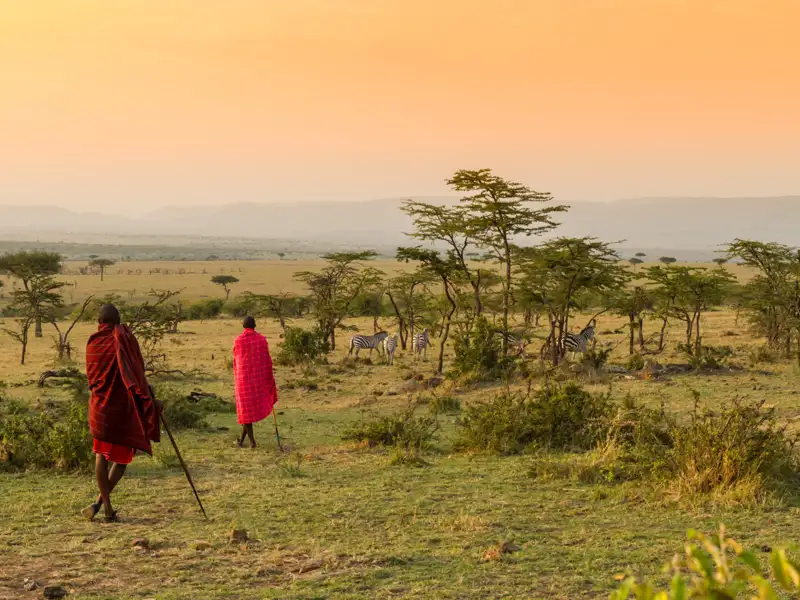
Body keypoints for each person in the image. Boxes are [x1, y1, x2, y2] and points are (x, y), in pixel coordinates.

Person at [82, 304, 161, 522]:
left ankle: (102, 504)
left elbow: (93, 376)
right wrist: (149, 398)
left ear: (99, 323)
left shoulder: (93, 342)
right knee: (122, 460)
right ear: (118, 321)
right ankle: (104, 506)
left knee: (101, 455)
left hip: (99, 407)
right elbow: (134, 373)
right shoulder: (122, 339)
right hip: (119, 408)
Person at [232, 316, 278, 448]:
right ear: (255, 325)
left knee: (245, 413)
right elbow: (267, 361)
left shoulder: (238, 341)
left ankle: (252, 442)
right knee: (246, 415)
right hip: (258, 382)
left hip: (243, 382)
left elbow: (236, 359)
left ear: (243, 326)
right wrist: (269, 379)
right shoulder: (262, 340)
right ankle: (241, 441)